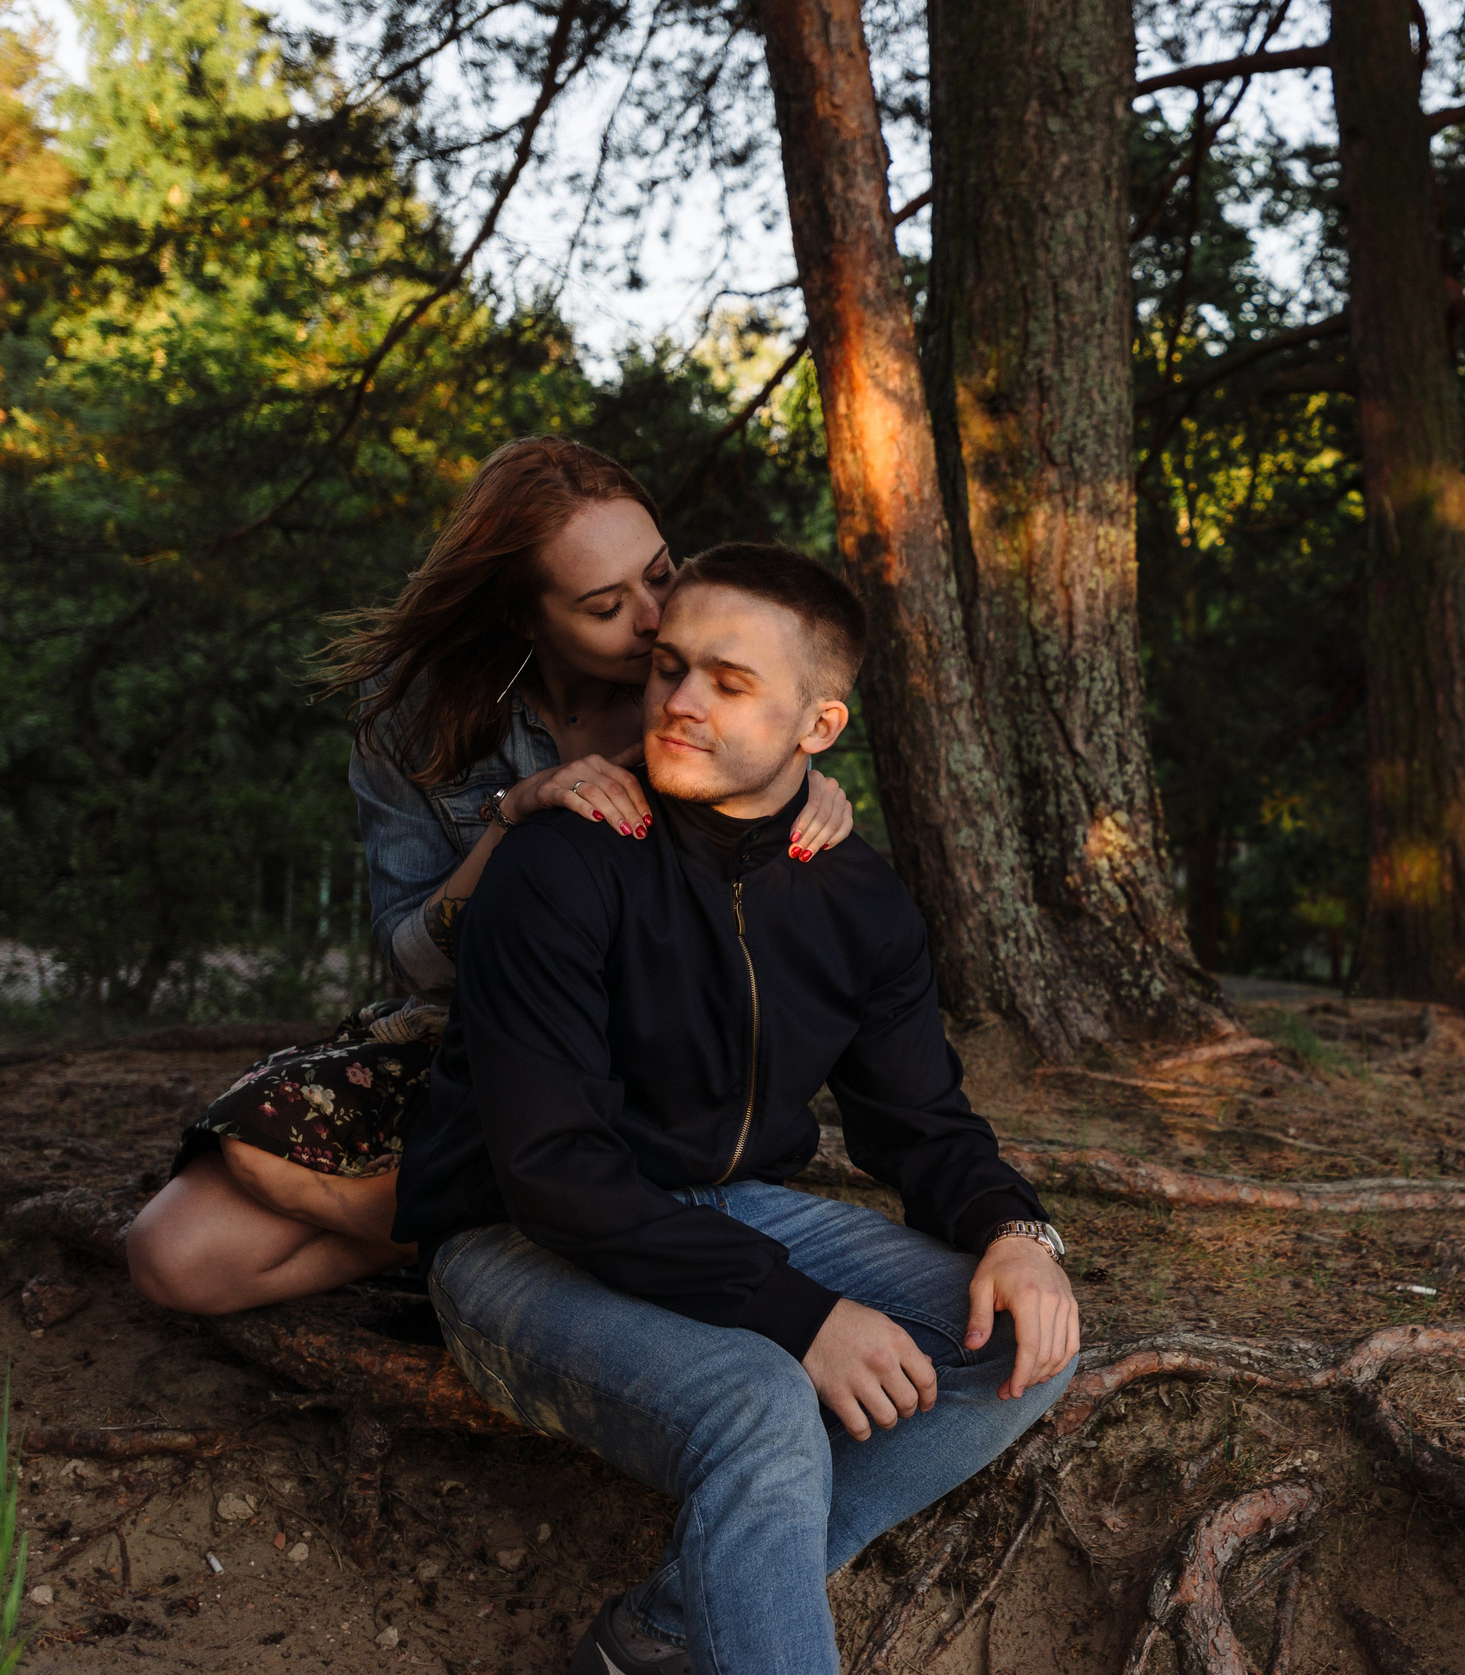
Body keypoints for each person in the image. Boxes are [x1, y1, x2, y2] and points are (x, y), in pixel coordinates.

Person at [396, 541, 1079, 1675]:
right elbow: (553, 1167)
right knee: (762, 1397)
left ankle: (662, 1627)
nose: (678, 702)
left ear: (819, 727)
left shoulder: (857, 893)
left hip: (731, 1207)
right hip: (513, 1245)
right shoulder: (564, 862)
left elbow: (919, 1117)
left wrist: (1017, 1229)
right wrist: (798, 1313)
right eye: (669, 668)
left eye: (729, 680)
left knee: (1022, 1337)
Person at [124, 440, 856, 1314]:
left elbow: (768, 892)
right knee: (172, 1256)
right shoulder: (415, 714)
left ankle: (463, 1216)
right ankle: (450, 1227)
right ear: (525, 618)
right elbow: (414, 959)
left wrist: (802, 783)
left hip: (639, 1074)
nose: (658, 617)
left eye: (660, 572)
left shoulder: (701, 694)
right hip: (471, 1038)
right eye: (604, 604)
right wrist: (516, 815)